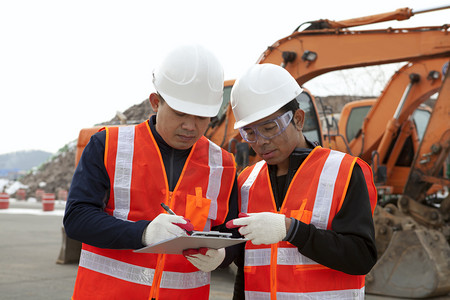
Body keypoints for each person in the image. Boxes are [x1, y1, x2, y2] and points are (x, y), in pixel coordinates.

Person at [64, 44, 241, 300]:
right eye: (180, 113)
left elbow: (230, 232)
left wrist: (224, 256)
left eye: (203, 117)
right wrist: (143, 233)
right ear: (156, 102)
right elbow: (77, 218)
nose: (190, 126)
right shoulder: (108, 145)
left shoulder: (223, 164)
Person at [226, 63, 378, 299]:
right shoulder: (247, 182)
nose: (261, 141)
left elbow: (361, 257)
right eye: (250, 133)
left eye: (269, 128)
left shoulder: (344, 172)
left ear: (298, 119)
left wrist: (293, 230)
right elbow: (246, 271)